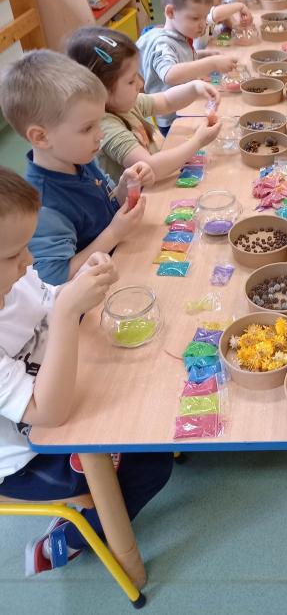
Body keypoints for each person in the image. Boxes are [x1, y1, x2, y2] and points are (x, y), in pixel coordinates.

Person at [0, 166, 173, 577]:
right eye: (12, 255)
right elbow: (47, 413)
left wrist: (82, 281)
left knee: (148, 395)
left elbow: (51, 301)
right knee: (152, 463)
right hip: (26, 459)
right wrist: (66, 312)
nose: (29, 262)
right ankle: (70, 539)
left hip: (68, 391)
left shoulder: (15, 282)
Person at [0, 52, 153, 285]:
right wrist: (114, 233)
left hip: (124, 261)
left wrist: (126, 187)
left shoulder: (79, 158)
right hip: (100, 292)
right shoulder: (43, 205)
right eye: (87, 128)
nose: (100, 134)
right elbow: (55, 278)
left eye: (99, 122)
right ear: (41, 137)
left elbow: (108, 208)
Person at [67, 26, 222, 183]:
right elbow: (150, 167)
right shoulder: (106, 127)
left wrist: (194, 88)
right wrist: (198, 141)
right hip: (143, 194)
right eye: (131, 81)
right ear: (102, 90)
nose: (140, 83)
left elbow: (166, 101)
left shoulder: (125, 104)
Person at [136, 0, 238, 134]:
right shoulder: (163, 43)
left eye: (204, 17)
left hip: (185, 106)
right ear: (170, 12)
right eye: (195, 18)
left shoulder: (180, 35)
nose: (203, 24)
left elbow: (180, 58)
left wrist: (203, 55)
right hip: (172, 118)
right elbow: (170, 74)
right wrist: (212, 63)